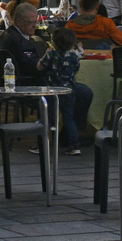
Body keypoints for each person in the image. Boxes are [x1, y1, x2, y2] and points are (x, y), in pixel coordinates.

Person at [40, 27, 91, 155]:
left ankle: (41, 144)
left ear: (54, 42)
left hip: (52, 91)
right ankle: (74, 145)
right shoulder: (74, 56)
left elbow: (39, 67)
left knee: (48, 117)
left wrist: (46, 54)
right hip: (69, 91)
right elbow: (77, 69)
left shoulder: (52, 55)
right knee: (69, 118)